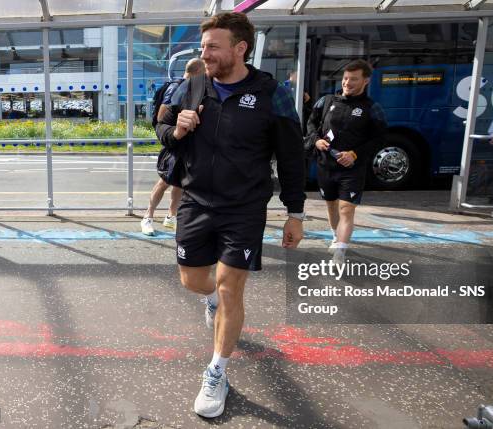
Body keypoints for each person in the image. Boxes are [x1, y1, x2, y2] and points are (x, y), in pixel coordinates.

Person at [155, 12, 305, 418]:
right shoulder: (190, 86)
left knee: (229, 289)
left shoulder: (272, 93)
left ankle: (217, 371)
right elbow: (161, 130)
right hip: (195, 201)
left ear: (240, 48)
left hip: (244, 208)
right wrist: (178, 129)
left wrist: (295, 212)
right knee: (194, 281)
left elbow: (292, 155)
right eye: (203, 47)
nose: (205, 54)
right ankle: (212, 302)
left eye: (213, 47)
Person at [304, 59, 387, 265]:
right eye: (345, 78)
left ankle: (340, 252)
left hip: (352, 169)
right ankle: (335, 235)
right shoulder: (326, 101)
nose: (347, 83)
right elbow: (311, 123)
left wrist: (355, 154)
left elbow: (380, 139)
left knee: (346, 209)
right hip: (325, 165)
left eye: (353, 79)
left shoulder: (371, 108)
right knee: (331, 205)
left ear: (366, 81)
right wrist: (317, 140)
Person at [141, 58, 206, 236]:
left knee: (179, 182)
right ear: (199, 72)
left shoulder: (190, 87)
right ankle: (148, 217)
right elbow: (163, 117)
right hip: (175, 142)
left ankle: (171, 216)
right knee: (165, 181)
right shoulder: (178, 87)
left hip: (186, 142)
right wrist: (179, 126)